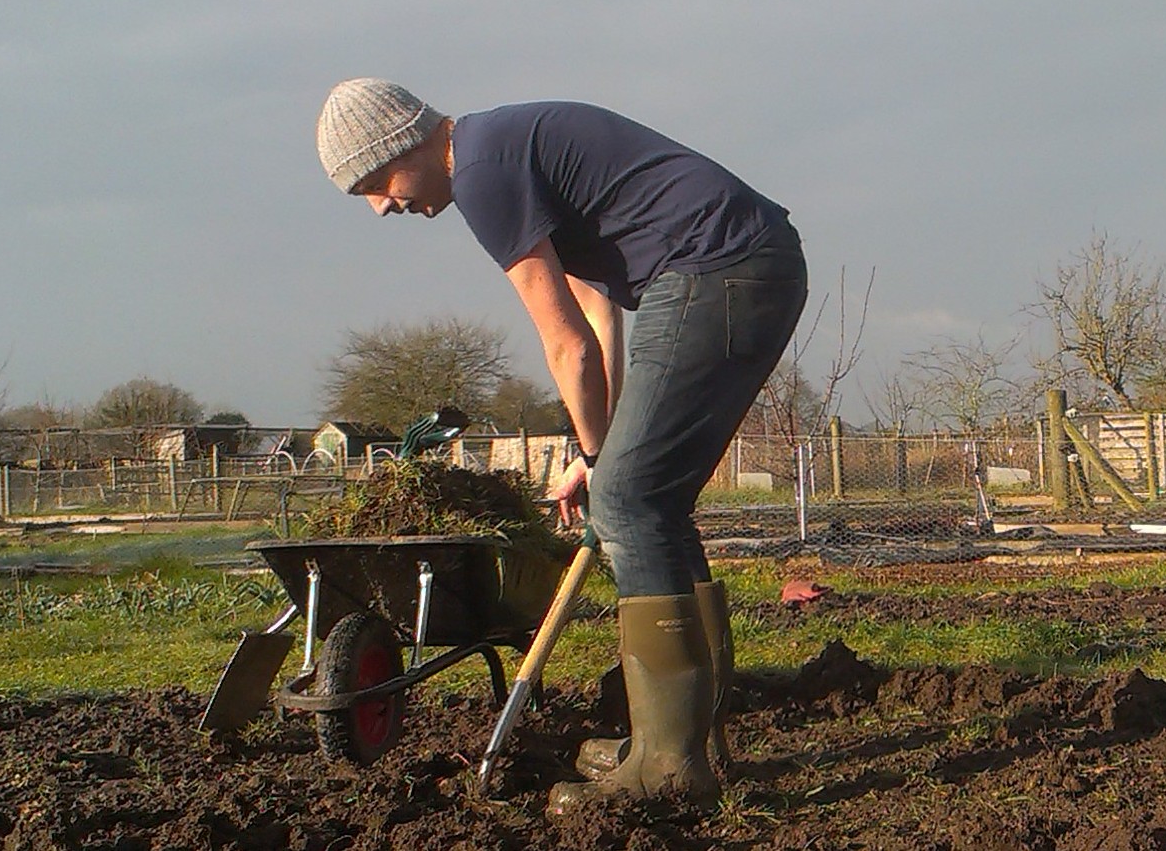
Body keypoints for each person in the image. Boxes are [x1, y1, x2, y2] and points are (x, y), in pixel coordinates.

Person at [316, 79, 807, 812]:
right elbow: (597, 314)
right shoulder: (502, 150)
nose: (382, 205)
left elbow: (566, 345)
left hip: (718, 271)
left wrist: (601, 462)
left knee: (633, 499)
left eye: (373, 182)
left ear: (402, 144)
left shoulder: (481, 173)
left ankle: (668, 764)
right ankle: (687, 742)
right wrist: (596, 450)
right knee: (648, 498)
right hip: (743, 266)